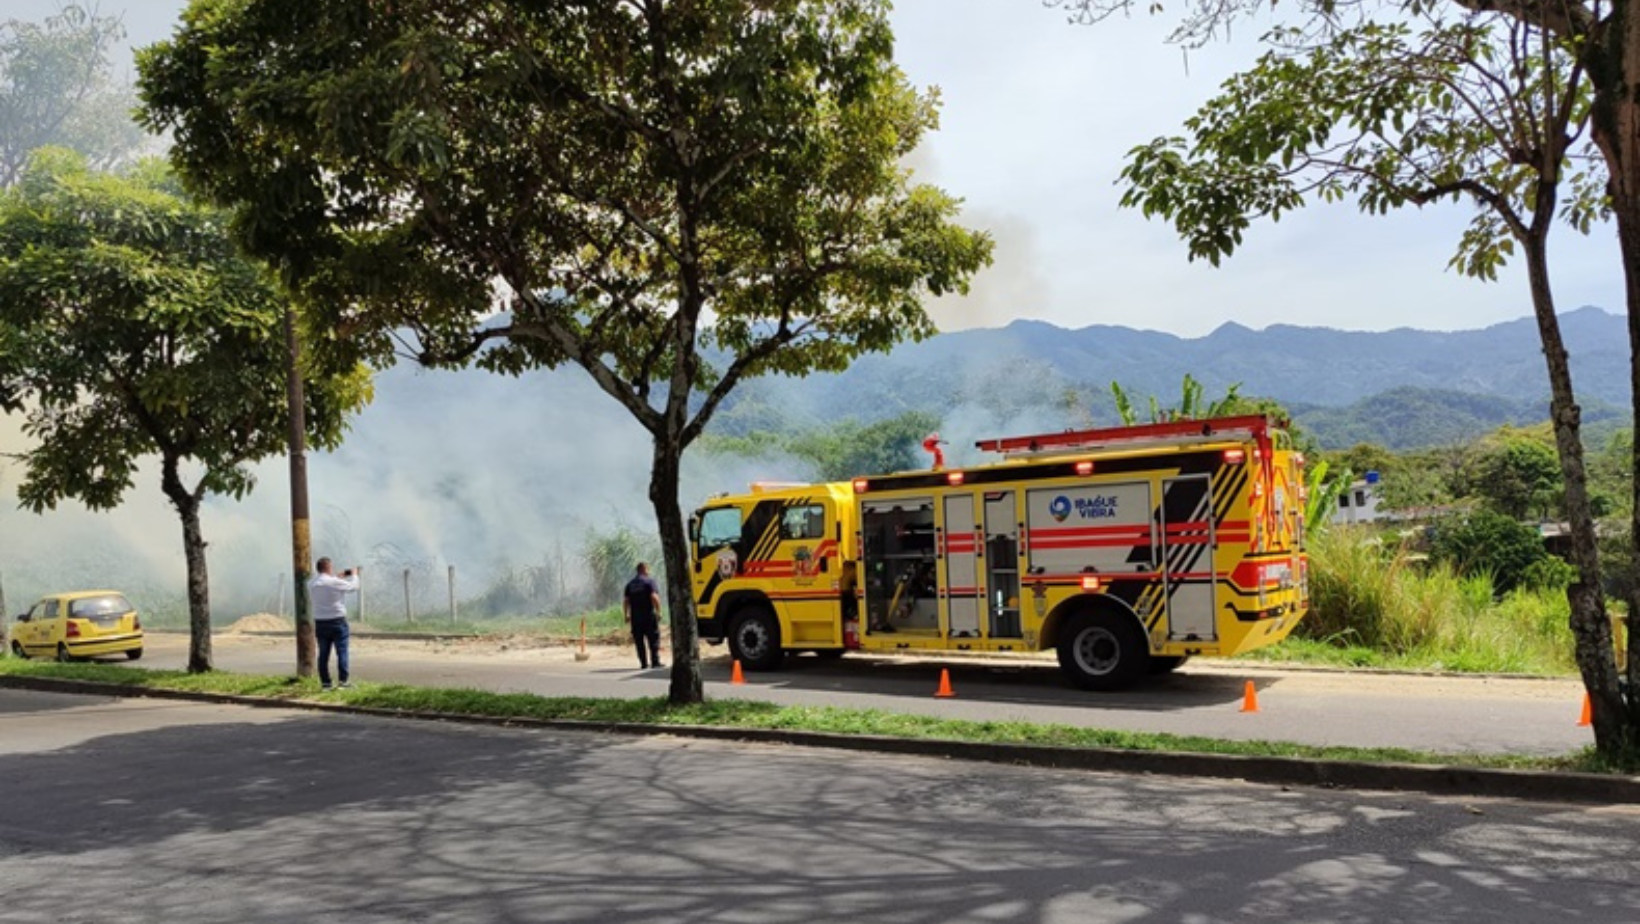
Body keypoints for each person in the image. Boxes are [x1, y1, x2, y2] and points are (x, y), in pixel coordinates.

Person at [310, 557, 359, 690]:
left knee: (323, 654)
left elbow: (326, 582)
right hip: (337, 620)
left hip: (320, 622)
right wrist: (354, 575)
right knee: (342, 652)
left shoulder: (312, 583)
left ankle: (325, 683)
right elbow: (354, 587)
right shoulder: (334, 582)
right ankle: (343, 681)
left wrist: (338, 577)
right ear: (328, 567)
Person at [623, 562, 663, 670]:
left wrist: (626, 615)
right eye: (647, 569)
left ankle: (644, 663)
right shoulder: (649, 582)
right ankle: (655, 662)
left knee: (639, 641)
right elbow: (654, 597)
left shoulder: (630, 584)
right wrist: (659, 611)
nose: (648, 572)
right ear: (644, 569)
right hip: (648, 616)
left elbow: (626, 601)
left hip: (635, 618)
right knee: (653, 638)